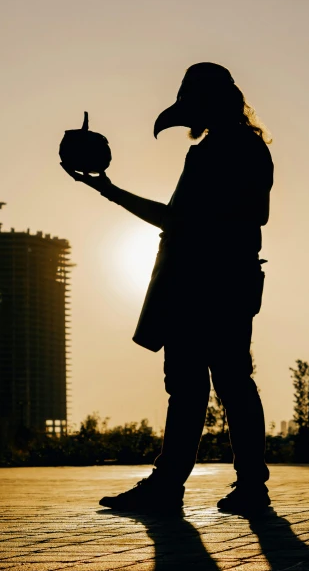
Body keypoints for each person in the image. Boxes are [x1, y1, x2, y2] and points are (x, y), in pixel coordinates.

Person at [61, 62, 274, 517]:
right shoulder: (250, 147)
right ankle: (248, 485)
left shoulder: (215, 152)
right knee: (231, 381)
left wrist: (111, 192)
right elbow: (250, 215)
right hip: (233, 280)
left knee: (192, 386)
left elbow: (180, 222)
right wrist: (112, 191)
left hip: (201, 283)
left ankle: (170, 485)